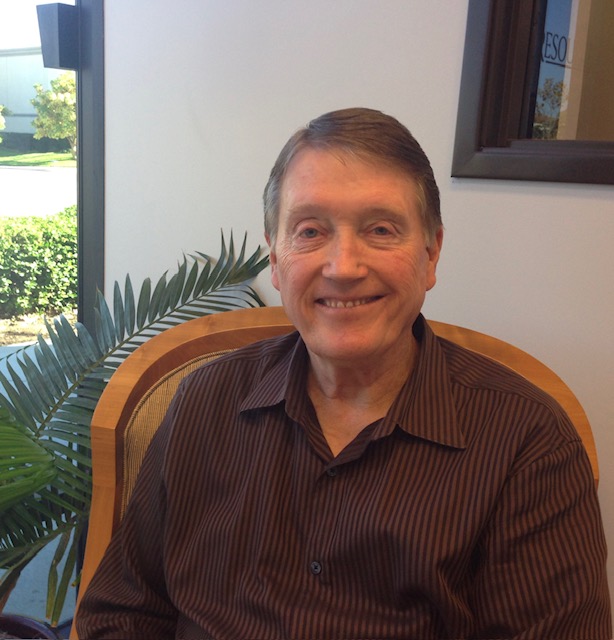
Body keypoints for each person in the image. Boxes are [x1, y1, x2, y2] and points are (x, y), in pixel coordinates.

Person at [76, 108, 611, 639]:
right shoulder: (204, 400)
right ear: (275, 260)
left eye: (381, 230)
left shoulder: (527, 440)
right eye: (310, 231)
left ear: (430, 254)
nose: (343, 267)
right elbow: (122, 614)